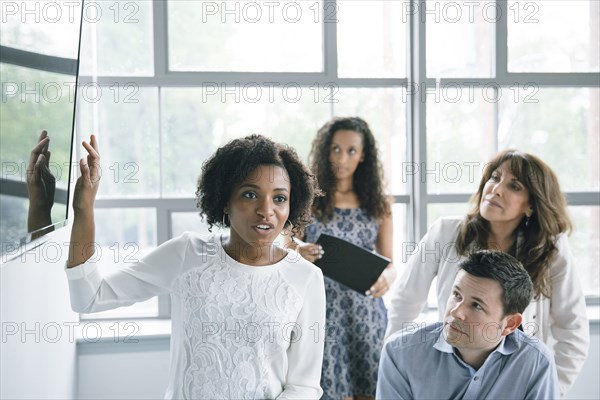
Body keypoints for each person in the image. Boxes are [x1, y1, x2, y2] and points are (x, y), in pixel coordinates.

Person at [65, 134, 327, 399]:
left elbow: (303, 386)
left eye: (279, 198)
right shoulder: (187, 254)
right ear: (225, 200)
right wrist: (83, 208)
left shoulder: (305, 278)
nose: (266, 210)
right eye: (250, 194)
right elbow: (89, 297)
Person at [386, 149, 589, 396]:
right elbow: (404, 303)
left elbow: (573, 331)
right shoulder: (445, 233)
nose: (496, 189)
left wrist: (549, 389)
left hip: (516, 378)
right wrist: (397, 364)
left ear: (531, 205)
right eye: (494, 177)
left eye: (514, 186)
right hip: (453, 367)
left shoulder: (551, 250)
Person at [294, 117, 396, 399]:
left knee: (371, 390)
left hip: (366, 312)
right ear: (325, 151)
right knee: (327, 391)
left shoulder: (379, 202)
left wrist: (388, 276)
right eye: (336, 149)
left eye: (351, 150)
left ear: (363, 155)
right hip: (321, 311)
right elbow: (287, 244)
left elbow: (389, 262)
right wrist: (300, 249)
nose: (342, 157)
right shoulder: (307, 197)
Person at [377, 250, 559, 400]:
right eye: (457, 295)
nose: (456, 312)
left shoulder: (536, 361)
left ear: (510, 324)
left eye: (477, 305)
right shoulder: (399, 354)